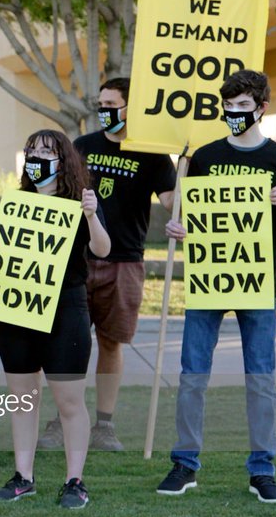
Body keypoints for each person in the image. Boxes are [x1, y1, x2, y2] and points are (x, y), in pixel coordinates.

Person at [158, 70, 276, 504]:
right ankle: (185, 463)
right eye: (229, 106)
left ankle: (262, 469)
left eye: (243, 106)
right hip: (209, 281)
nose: (234, 113)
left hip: (259, 285)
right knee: (192, 375)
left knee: (261, 379)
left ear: (262, 108)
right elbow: (193, 220)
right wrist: (179, 228)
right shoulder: (203, 157)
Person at [35, 78, 176, 452]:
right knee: (69, 342)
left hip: (124, 261)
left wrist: (187, 165)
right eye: (101, 103)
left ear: (131, 108)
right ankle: (64, 417)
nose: (104, 110)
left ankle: (104, 425)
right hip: (76, 259)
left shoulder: (152, 153)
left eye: (111, 103)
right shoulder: (83, 146)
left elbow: (170, 202)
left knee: (112, 344)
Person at [0, 130, 110, 510]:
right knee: (22, 398)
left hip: (65, 309)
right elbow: (6, 254)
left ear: (63, 160)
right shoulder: (18, 204)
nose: (36, 157)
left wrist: (92, 215)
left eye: (46, 151)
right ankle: (24, 476)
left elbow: (102, 249)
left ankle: (75, 480)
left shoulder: (81, 202)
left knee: (69, 400)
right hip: (16, 309)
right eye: (31, 150)